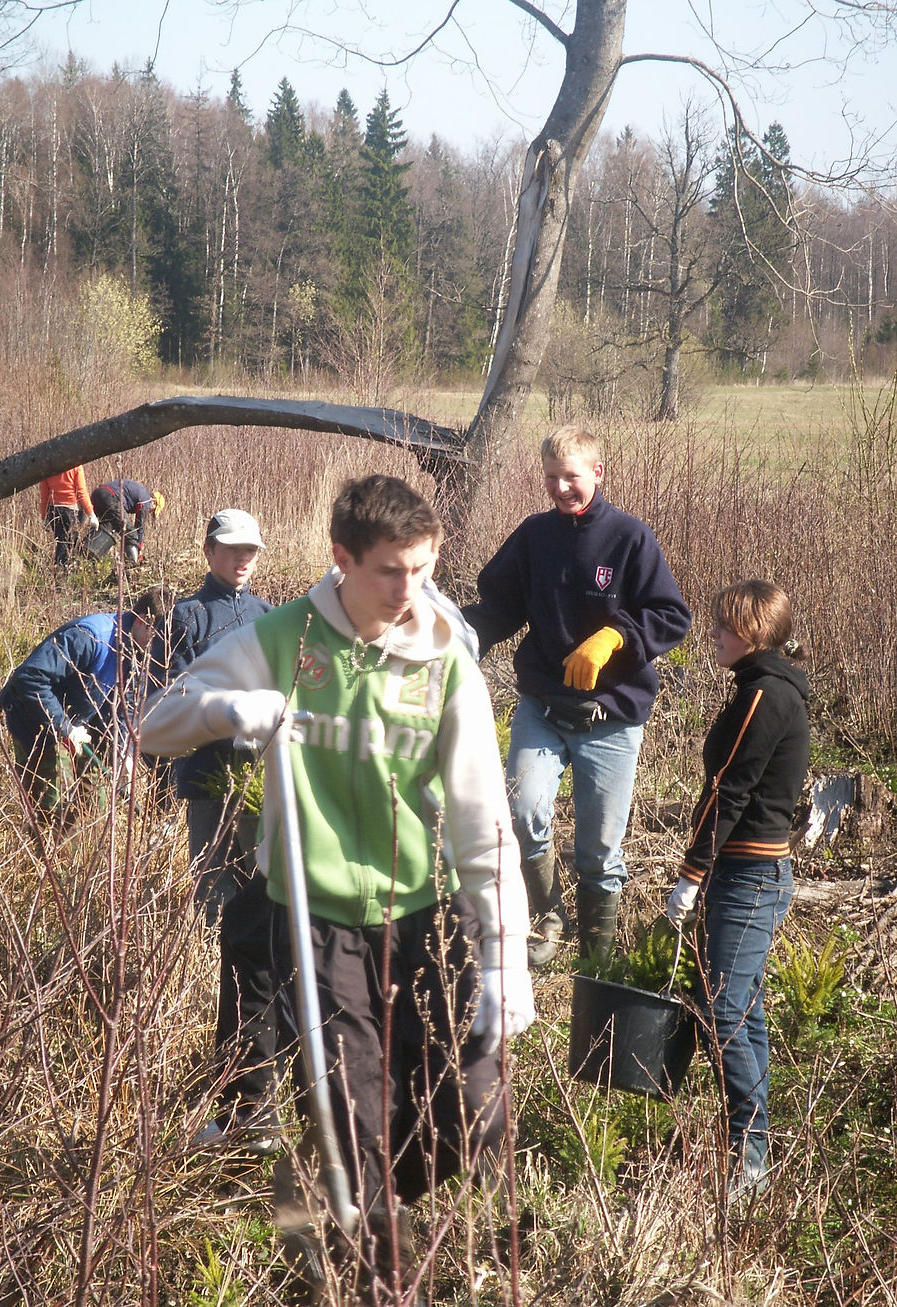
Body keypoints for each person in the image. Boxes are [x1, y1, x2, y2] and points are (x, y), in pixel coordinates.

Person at [140, 474, 534, 1293]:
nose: (410, 589)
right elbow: (157, 723)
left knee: (475, 1104)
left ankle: (353, 1199)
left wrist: (505, 961)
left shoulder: (444, 662)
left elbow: (481, 819)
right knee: (359, 1123)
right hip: (313, 917)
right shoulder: (286, 637)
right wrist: (227, 711)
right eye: (391, 570)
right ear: (342, 559)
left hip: (418, 913)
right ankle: (380, 1274)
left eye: (423, 568)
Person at [463, 424, 691, 967]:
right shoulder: (534, 536)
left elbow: (670, 615)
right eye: (551, 477)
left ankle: (597, 961)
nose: (561, 487)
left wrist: (615, 637)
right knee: (520, 814)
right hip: (542, 707)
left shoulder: (630, 538)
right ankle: (548, 916)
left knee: (598, 850)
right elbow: (497, 606)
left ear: (598, 473)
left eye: (572, 476)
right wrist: (454, 637)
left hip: (610, 718)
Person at [666, 580, 809, 1203]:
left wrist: (692, 874)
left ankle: (748, 1158)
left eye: (724, 626)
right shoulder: (765, 689)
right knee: (741, 1010)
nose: (715, 635)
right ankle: (753, 1151)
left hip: (749, 876)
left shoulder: (764, 695)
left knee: (723, 1010)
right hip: (748, 874)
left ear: (751, 633)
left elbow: (728, 789)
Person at [149, 508, 278, 1152]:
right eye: (231, 549)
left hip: (258, 777)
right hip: (206, 774)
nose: (242, 558)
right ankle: (210, 988)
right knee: (212, 891)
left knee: (257, 895)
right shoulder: (186, 617)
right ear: (208, 551)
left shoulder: (268, 614)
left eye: (250, 549)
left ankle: (246, 1019)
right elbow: (163, 696)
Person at [0, 586, 171, 825]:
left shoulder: (139, 652)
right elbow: (29, 679)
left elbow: (125, 708)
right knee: (55, 813)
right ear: (142, 621)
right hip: (36, 722)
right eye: (158, 638)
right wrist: (64, 729)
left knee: (94, 807)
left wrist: (123, 755)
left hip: (78, 723)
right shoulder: (90, 637)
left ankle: (83, 857)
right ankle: (52, 858)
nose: (161, 649)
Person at [90, 478, 165, 564]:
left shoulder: (140, 492)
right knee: (131, 534)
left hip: (98, 494)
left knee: (107, 528)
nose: (150, 512)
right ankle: (131, 565)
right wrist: (139, 547)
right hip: (109, 497)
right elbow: (139, 526)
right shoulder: (146, 499)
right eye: (153, 510)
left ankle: (88, 556)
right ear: (154, 502)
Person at [40, 466, 97, 568]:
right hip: (71, 510)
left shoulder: (47, 466)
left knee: (61, 542)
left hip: (54, 510)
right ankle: (61, 572)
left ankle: (60, 570)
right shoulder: (76, 466)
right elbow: (81, 492)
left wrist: (44, 517)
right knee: (68, 545)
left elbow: (44, 495)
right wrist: (91, 513)